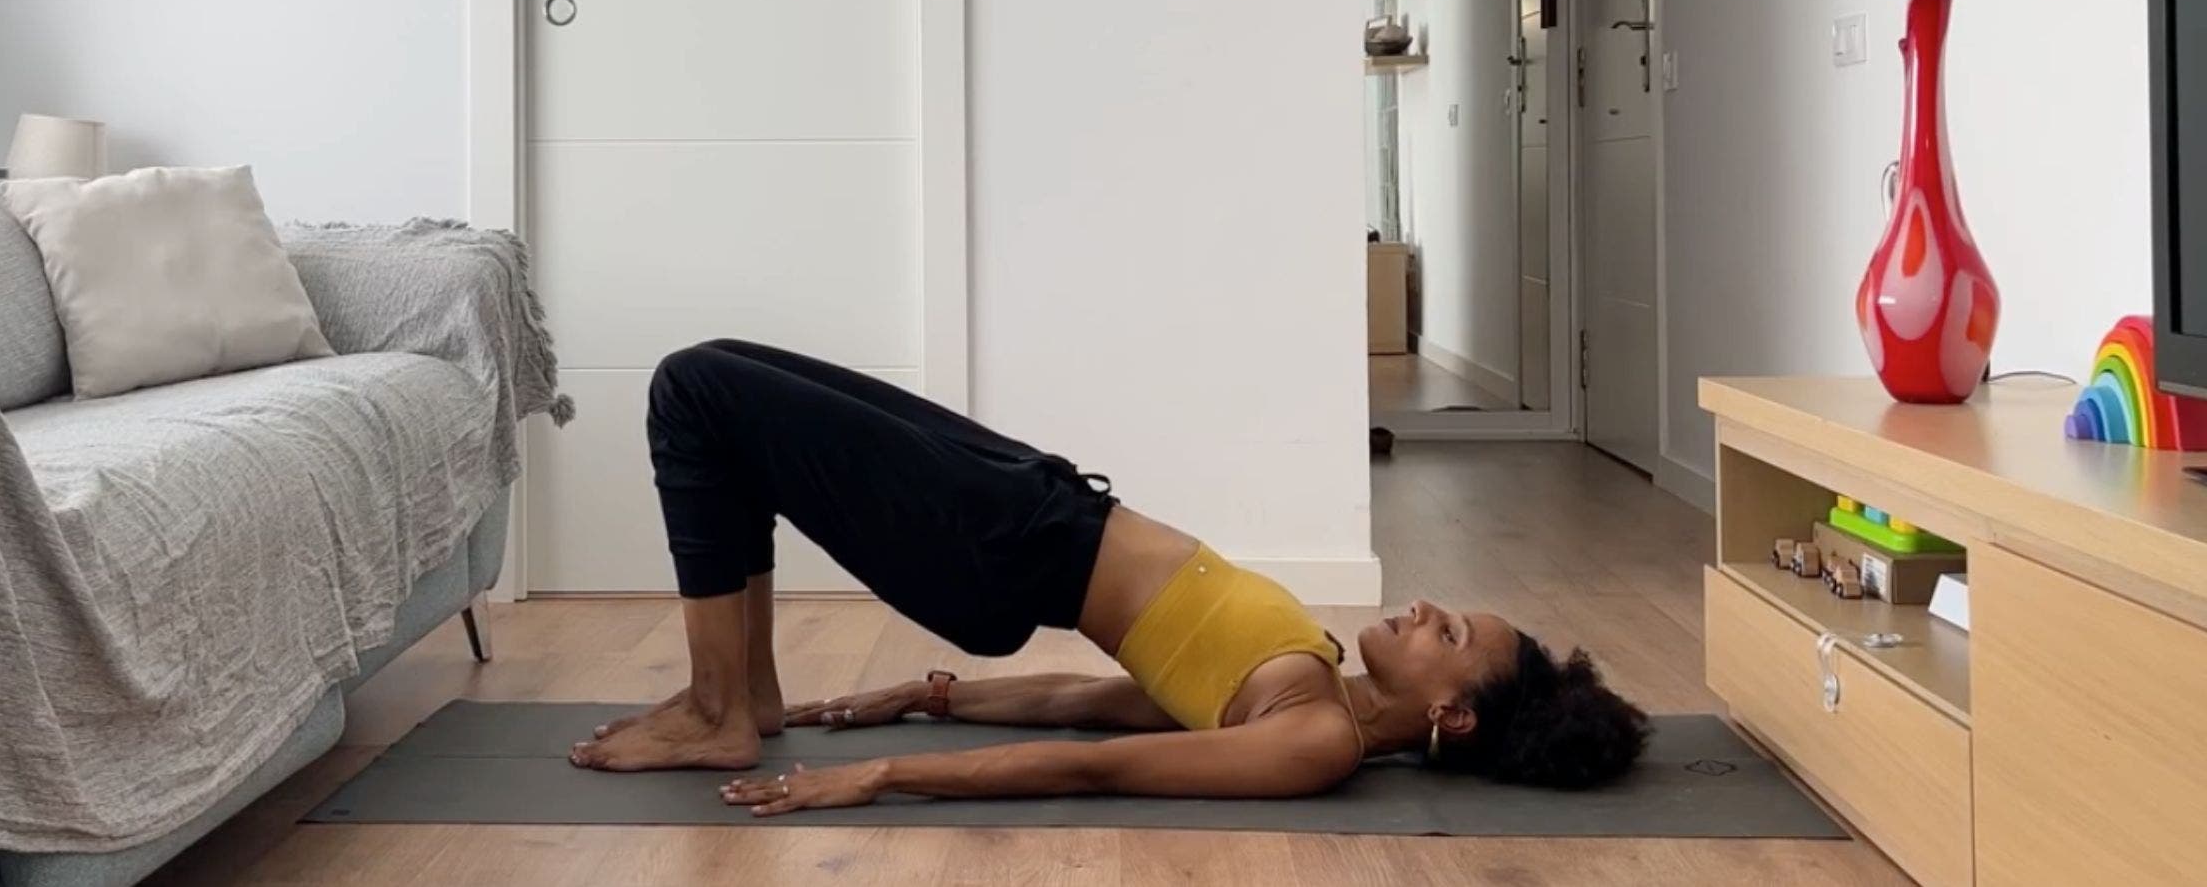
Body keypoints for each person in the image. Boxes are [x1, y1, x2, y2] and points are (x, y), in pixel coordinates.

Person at [570, 340, 1648, 815]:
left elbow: (1095, 769)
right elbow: (1098, 703)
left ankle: (720, 707)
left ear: (1451, 717)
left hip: (1000, 543)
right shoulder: (1312, 682)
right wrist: (918, 699)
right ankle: (744, 694)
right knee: (719, 380)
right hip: (1035, 501)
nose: (1425, 609)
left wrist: (884, 774)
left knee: (696, 392)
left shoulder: (1315, 741)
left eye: (1447, 634)